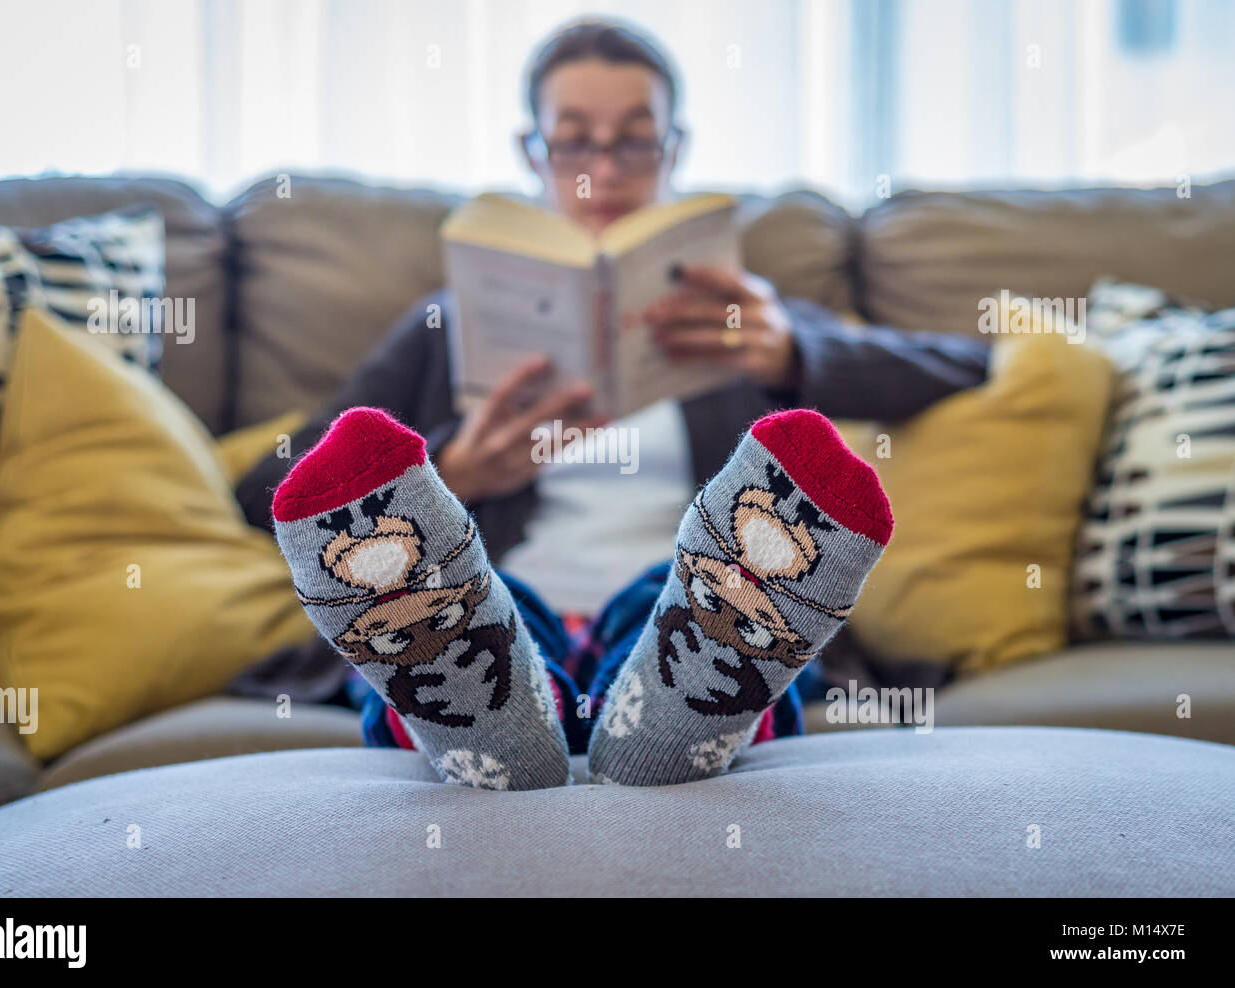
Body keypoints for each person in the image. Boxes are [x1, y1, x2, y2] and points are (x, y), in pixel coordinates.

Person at [232, 19, 990, 785]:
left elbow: (964, 364)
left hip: (685, 597)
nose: (604, 170)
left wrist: (795, 349)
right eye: (574, 142)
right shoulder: (444, 324)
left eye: (635, 141)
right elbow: (280, 483)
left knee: (666, 610)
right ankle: (506, 708)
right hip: (496, 596)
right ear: (533, 152)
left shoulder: (733, 316)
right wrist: (453, 470)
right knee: (493, 614)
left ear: (674, 148)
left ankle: (658, 702)